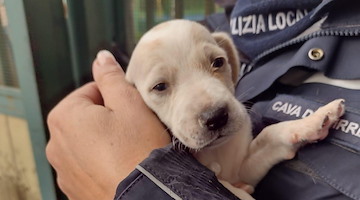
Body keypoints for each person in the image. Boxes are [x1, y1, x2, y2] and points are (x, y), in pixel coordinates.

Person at [46, 0, 360, 199]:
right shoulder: (232, 22)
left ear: (232, 61)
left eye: (216, 63)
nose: (211, 105)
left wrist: (142, 184)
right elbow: (244, 169)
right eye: (161, 86)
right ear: (132, 100)